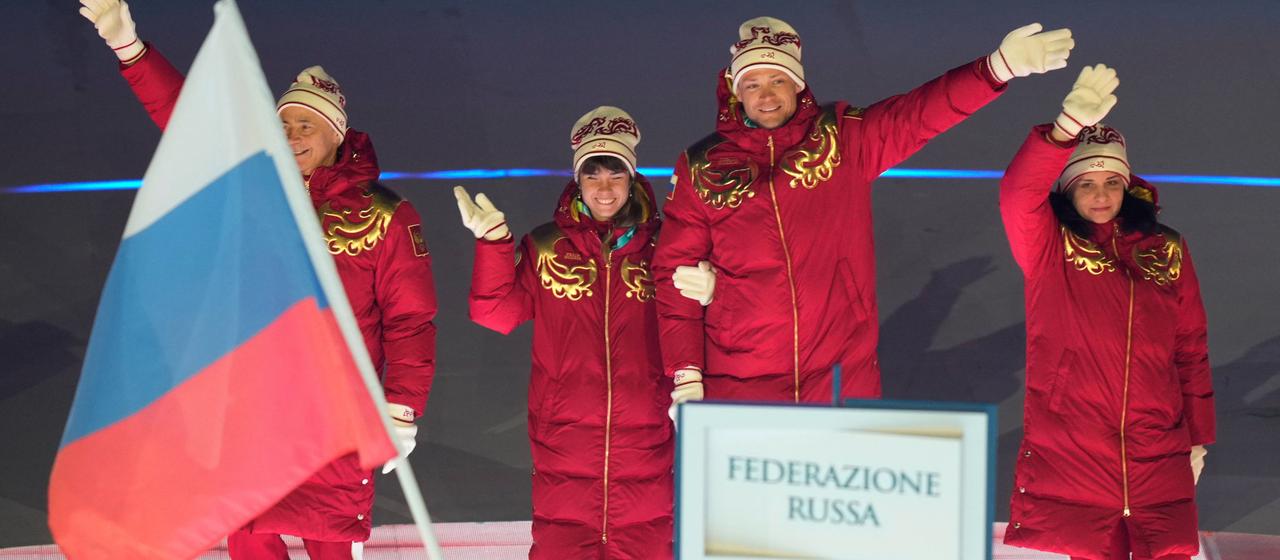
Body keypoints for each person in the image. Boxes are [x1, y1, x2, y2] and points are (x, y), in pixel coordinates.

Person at [80, 1, 438, 558]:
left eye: (307, 124)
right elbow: (190, 120)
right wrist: (129, 46)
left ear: (337, 136)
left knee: (330, 544)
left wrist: (400, 409)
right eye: (284, 122)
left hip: (334, 426)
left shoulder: (385, 215)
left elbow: (411, 319)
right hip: (250, 420)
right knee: (251, 543)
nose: (292, 134)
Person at [654, 17, 1075, 410]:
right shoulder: (702, 167)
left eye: (778, 79)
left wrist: (996, 68)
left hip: (841, 376)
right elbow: (673, 272)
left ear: (798, 86)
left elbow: (919, 115)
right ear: (735, 90)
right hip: (739, 380)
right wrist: (687, 376)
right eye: (753, 83)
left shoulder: (843, 140)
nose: (766, 94)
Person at [456, 106, 710, 559]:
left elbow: (709, 320)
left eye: (615, 175)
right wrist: (493, 246)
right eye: (593, 176)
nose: (605, 188)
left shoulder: (669, 246)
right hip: (564, 451)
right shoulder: (545, 246)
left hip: (648, 448)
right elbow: (495, 314)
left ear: (631, 179)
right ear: (578, 182)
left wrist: (716, 287)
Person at [998, 64, 1214, 560]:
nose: (1100, 195)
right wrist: (1064, 130)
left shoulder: (1168, 249)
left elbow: (1190, 346)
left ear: (1128, 186)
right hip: (1075, 445)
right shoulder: (1048, 245)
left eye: (1111, 183)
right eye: (1086, 183)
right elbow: (1017, 192)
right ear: (1068, 189)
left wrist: (1198, 436)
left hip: (1156, 445)